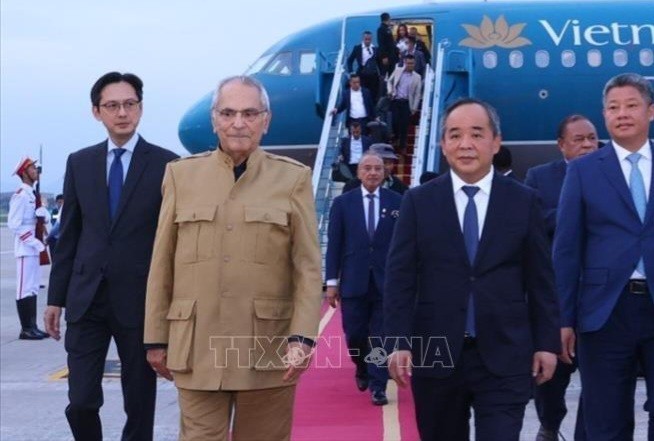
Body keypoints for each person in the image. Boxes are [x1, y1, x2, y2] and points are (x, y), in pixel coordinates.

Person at [144, 75, 322, 440]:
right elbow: (162, 261)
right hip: (197, 347)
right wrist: (155, 338)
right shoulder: (181, 176)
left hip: (266, 349)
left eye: (249, 113)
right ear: (214, 119)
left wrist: (302, 337)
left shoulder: (292, 179)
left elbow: (306, 266)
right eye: (228, 113)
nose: (238, 123)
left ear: (265, 120)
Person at [385, 98, 560, 440]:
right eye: (455, 135)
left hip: (505, 354)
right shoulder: (419, 202)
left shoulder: (523, 201)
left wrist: (546, 343)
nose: (465, 144)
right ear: (443, 144)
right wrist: (397, 342)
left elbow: (541, 280)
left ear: (495, 142)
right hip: (435, 354)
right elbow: (400, 278)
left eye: (476, 134)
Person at [44, 72, 179, 441]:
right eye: (112, 106)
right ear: (96, 112)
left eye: (129, 104)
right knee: (82, 399)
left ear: (140, 107)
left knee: (139, 399)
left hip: (140, 301)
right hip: (86, 299)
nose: (122, 113)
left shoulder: (168, 165)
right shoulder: (80, 163)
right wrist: (55, 298)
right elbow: (68, 235)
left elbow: (175, 241)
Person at [554, 73, 654, 440]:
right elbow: (566, 249)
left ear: (651, 111)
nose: (622, 114)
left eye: (631, 105)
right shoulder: (583, 171)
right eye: (613, 108)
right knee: (605, 420)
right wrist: (564, 318)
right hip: (604, 312)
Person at [526, 114, 599, 441]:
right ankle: (550, 425)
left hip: (602, 296)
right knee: (551, 378)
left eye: (592, 139)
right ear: (561, 145)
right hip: (555, 297)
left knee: (602, 381)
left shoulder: (612, 174)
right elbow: (530, 225)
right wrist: (574, 211)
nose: (587, 145)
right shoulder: (540, 178)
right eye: (579, 140)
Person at [326, 152, 402, 406]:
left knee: (380, 336)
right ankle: (361, 365)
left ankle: (378, 385)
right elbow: (334, 245)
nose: (372, 173)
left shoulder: (398, 202)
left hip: (386, 283)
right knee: (355, 334)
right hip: (353, 281)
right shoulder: (343, 204)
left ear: (384, 173)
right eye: (367, 168)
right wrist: (332, 283)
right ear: (359, 172)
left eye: (377, 169)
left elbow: (404, 246)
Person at [8, 157, 50, 340]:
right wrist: (34, 242)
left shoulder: (33, 195)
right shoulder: (21, 195)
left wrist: (43, 214)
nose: (36, 171)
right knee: (24, 288)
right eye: (32, 168)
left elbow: (41, 219)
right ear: (24, 172)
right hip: (26, 248)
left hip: (34, 248)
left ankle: (32, 326)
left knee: (32, 287)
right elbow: (14, 225)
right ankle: (26, 328)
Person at [387, 54, 422, 153]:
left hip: (407, 103)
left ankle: (402, 146)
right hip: (396, 100)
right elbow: (389, 81)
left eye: (412, 63)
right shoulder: (398, 71)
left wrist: (414, 107)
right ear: (405, 63)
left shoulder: (417, 77)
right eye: (408, 63)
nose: (410, 65)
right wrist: (390, 91)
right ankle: (395, 139)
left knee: (404, 125)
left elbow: (417, 94)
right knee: (395, 122)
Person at [343, 143, 408, 195]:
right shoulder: (352, 186)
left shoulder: (401, 187)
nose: (387, 167)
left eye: (390, 162)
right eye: (384, 162)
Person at [346, 31, 381, 103]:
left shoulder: (375, 49)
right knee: (362, 93)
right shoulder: (357, 48)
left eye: (369, 39)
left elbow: (379, 62)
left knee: (374, 94)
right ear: (363, 38)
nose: (367, 41)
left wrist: (381, 73)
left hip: (373, 75)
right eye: (366, 39)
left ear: (371, 39)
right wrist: (351, 72)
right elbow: (350, 60)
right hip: (362, 74)